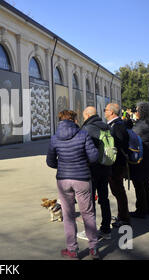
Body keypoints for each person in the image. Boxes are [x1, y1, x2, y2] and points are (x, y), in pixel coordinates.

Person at [46, 110, 100, 260]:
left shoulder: (55, 138)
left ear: (60, 120)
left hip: (63, 180)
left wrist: (63, 166)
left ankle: (72, 250)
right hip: (82, 178)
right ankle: (94, 248)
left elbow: (50, 161)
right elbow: (94, 157)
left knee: (68, 215)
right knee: (87, 213)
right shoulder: (83, 134)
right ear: (74, 119)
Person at [77, 106, 112, 241]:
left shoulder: (87, 129)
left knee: (89, 201)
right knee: (104, 199)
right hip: (106, 167)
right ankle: (106, 229)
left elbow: (83, 150)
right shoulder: (106, 126)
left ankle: (90, 231)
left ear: (86, 115)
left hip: (92, 169)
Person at [129, 102, 149, 218]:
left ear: (142, 112)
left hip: (143, 157)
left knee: (139, 183)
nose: (135, 112)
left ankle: (141, 210)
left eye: (137, 110)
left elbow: (131, 135)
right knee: (145, 182)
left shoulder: (142, 125)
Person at [104, 103, 131, 228]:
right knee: (117, 191)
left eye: (106, 110)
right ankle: (122, 215)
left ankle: (124, 218)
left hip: (116, 165)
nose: (104, 112)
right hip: (115, 164)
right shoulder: (115, 124)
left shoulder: (118, 125)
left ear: (112, 112)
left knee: (118, 191)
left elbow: (119, 146)